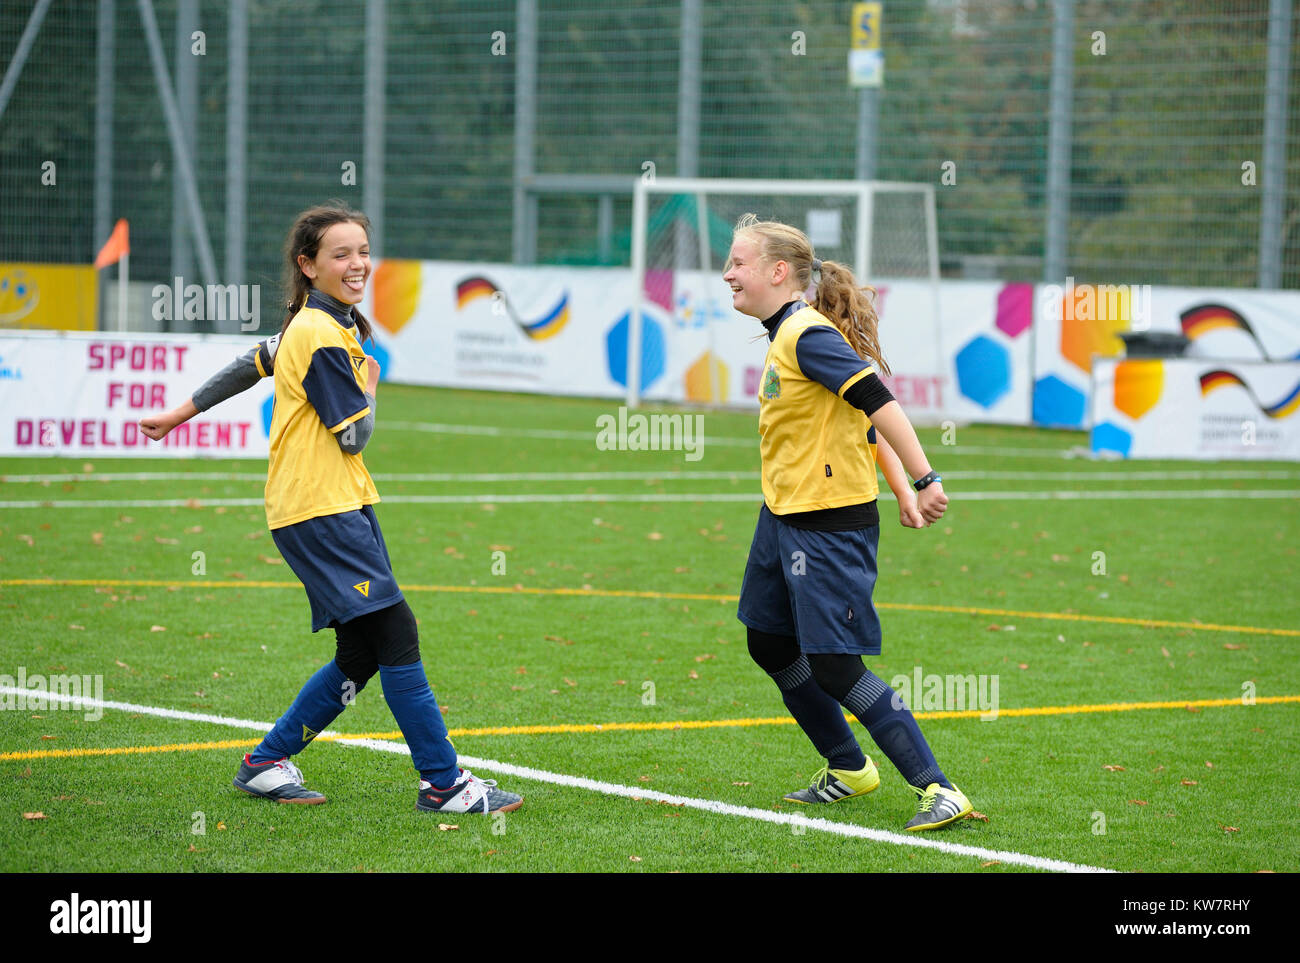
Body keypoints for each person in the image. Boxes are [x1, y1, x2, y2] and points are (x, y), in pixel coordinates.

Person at [140, 202, 522, 815]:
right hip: (319, 508)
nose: (357, 264)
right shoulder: (319, 333)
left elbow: (248, 365)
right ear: (308, 265)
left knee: (362, 651)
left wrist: (177, 412)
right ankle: (443, 784)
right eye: (341, 254)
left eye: (363, 252)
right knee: (396, 631)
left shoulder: (312, 323)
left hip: (331, 504)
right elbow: (352, 435)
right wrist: (370, 386)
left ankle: (266, 762)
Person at [722, 213, 972, 831]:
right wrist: (900, 485)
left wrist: (923, 479)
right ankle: (850, 768)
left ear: (779, 272)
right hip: (783, 518)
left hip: (829, 527)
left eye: (738, 263)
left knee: (836, 664)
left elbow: (879, 404)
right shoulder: (786, 333)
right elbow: (854, 422)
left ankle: (940, 789)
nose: (727, 274)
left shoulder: (807, 334)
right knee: (769, 642)